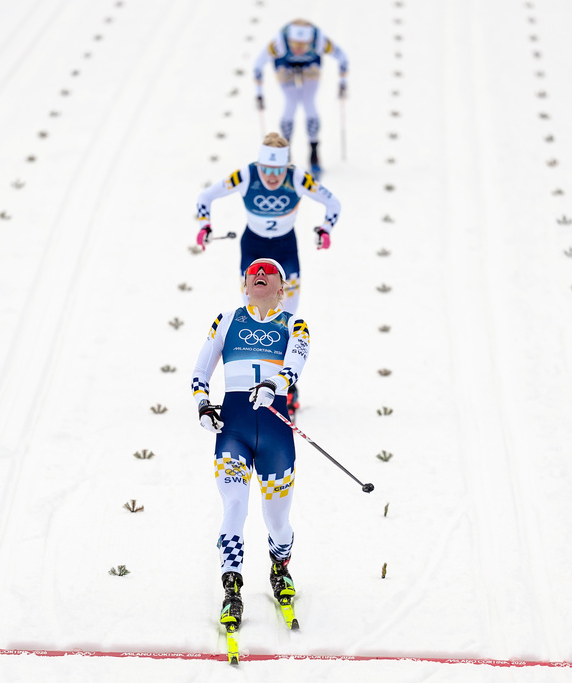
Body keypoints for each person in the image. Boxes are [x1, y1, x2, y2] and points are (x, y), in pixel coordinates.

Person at [191, 257, 310, 632]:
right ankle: (232, 587)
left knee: (277, 521)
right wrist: (203, 405)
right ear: (244, 283)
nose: (259, 274)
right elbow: (199, 372)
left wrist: (274, 385)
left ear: (282, 287)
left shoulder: (295, 324)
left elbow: (294, 365)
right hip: (234, 429)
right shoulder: (225, 321)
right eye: (253, 272)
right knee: (236, 504)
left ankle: (280, 566)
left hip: (275, 433)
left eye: (268, 271)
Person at [194, 132, 341, 317]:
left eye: (278, 170)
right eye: (266, 169)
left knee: (288, 310)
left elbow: (333, 203)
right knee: (252, 307)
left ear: (286, 167)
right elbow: (205, 196)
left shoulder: (298, 177)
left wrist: (326, 229)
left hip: (285, 247)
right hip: (253, 246)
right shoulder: (247, 174)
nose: (272, 176)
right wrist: (204, 226)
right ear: (259, 165)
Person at [253, 19, 348, 179]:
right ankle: (285, 151)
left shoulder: (320, 41)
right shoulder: (279, 43)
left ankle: (314, 151)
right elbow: (258, 64)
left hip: (311, 65)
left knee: (309, 102)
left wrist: (343, 83)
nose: (298, 50)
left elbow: (342, 57)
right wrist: (259, 93)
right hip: (284, 65)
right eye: (294, 44)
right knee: (291, 103)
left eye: (303, 45)